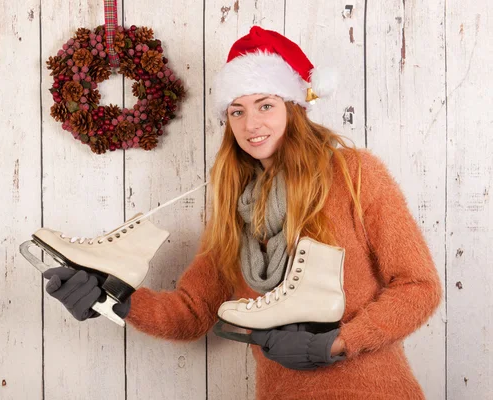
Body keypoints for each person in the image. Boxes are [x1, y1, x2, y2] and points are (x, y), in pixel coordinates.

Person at [42, 26, 442, 400]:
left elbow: (418, 286)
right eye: (237, 111)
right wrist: (116, 299)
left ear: (293, 109)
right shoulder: (236, 205)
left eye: (265, 105)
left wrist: (338, 343)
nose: (251, 124)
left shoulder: (353, 174)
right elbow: (193, 312)